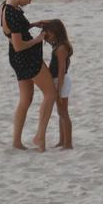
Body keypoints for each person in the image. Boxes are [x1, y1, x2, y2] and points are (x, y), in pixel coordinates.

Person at [0, 0, 57, 152]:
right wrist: (39, 39)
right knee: (50, 93)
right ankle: (40, 136)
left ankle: (16, 141)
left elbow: (14, 32)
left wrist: (32, 24)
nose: (30, 2)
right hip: (26, 58)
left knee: (26, 99)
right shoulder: (14, 13)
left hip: (16, 59)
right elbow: (19, 45)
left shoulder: (6, 5)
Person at [42, 19, 74, 149]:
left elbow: (61, 70)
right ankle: (62, 141)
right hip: (58, 80)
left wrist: (58, 90)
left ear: (56, 32)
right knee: (61, 112)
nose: (47, 35)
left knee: (64, 113)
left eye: (49, 32)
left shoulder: (61, 48)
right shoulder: (58, 45)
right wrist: (37, 24)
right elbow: (48, 25)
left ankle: (68, 143)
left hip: (60, 81)